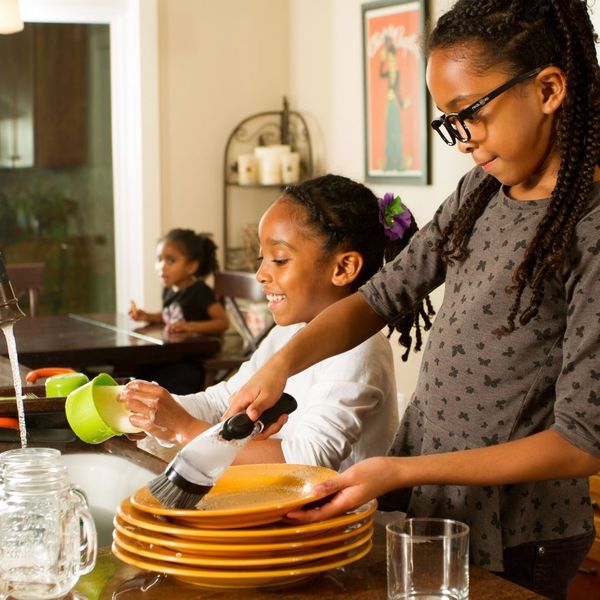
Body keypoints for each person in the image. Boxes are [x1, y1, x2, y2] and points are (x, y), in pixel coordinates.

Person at [226, 1, 600, 598]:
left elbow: (580, 441)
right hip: (439, 501)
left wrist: (401, 469)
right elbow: (380, 296)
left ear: (549, 88)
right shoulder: (481, 191)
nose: (461, 141)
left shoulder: (589, 226)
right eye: (448, 122)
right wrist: (282, 363)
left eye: (468, 113)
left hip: (523, 528)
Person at [122, 174, 434, 471]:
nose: (261, 274)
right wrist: (155, 413)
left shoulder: (361, 350)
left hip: (345, 522)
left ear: (343, 268)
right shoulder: (286, 334)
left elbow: (310, 460)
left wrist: (186, 430)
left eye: (279, 259)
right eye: (263, 258)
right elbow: (222, 401)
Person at [129, 228, 229, 393]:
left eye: (170, 261)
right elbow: (170, 315)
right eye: (159, 259)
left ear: (191, 266)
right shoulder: (170, 290)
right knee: (134, 371)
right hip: (173, 356)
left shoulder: (200, 291)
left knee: (150, 381)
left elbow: (222, 322)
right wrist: (147, 316)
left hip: (193, 363)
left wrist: (189, 327)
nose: (162, 267)